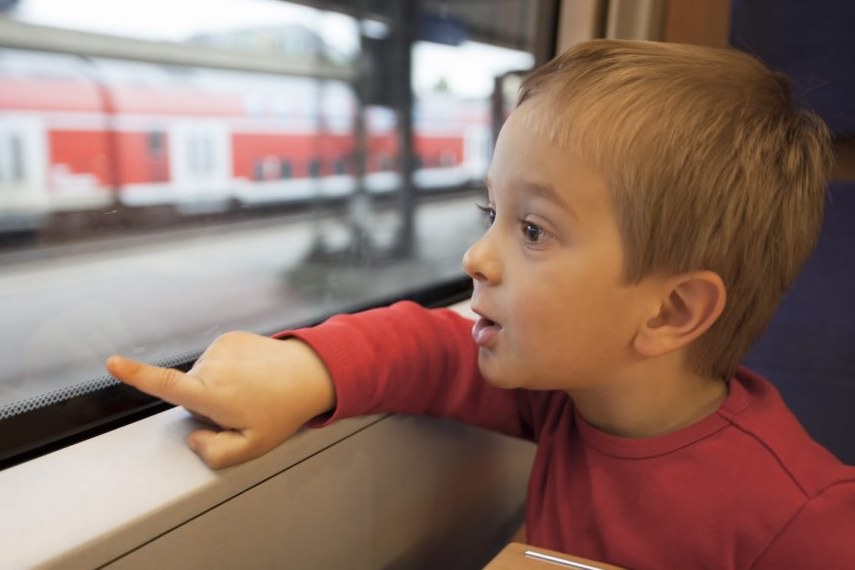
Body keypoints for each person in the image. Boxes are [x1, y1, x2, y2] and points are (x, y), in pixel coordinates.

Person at [106, 40, 855, 568]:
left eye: (532, 229)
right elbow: (435, 352)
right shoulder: (570, 396)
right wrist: (306, 371)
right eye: (486, 212)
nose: (476, 258)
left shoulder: (803, 516)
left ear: (667, 313)